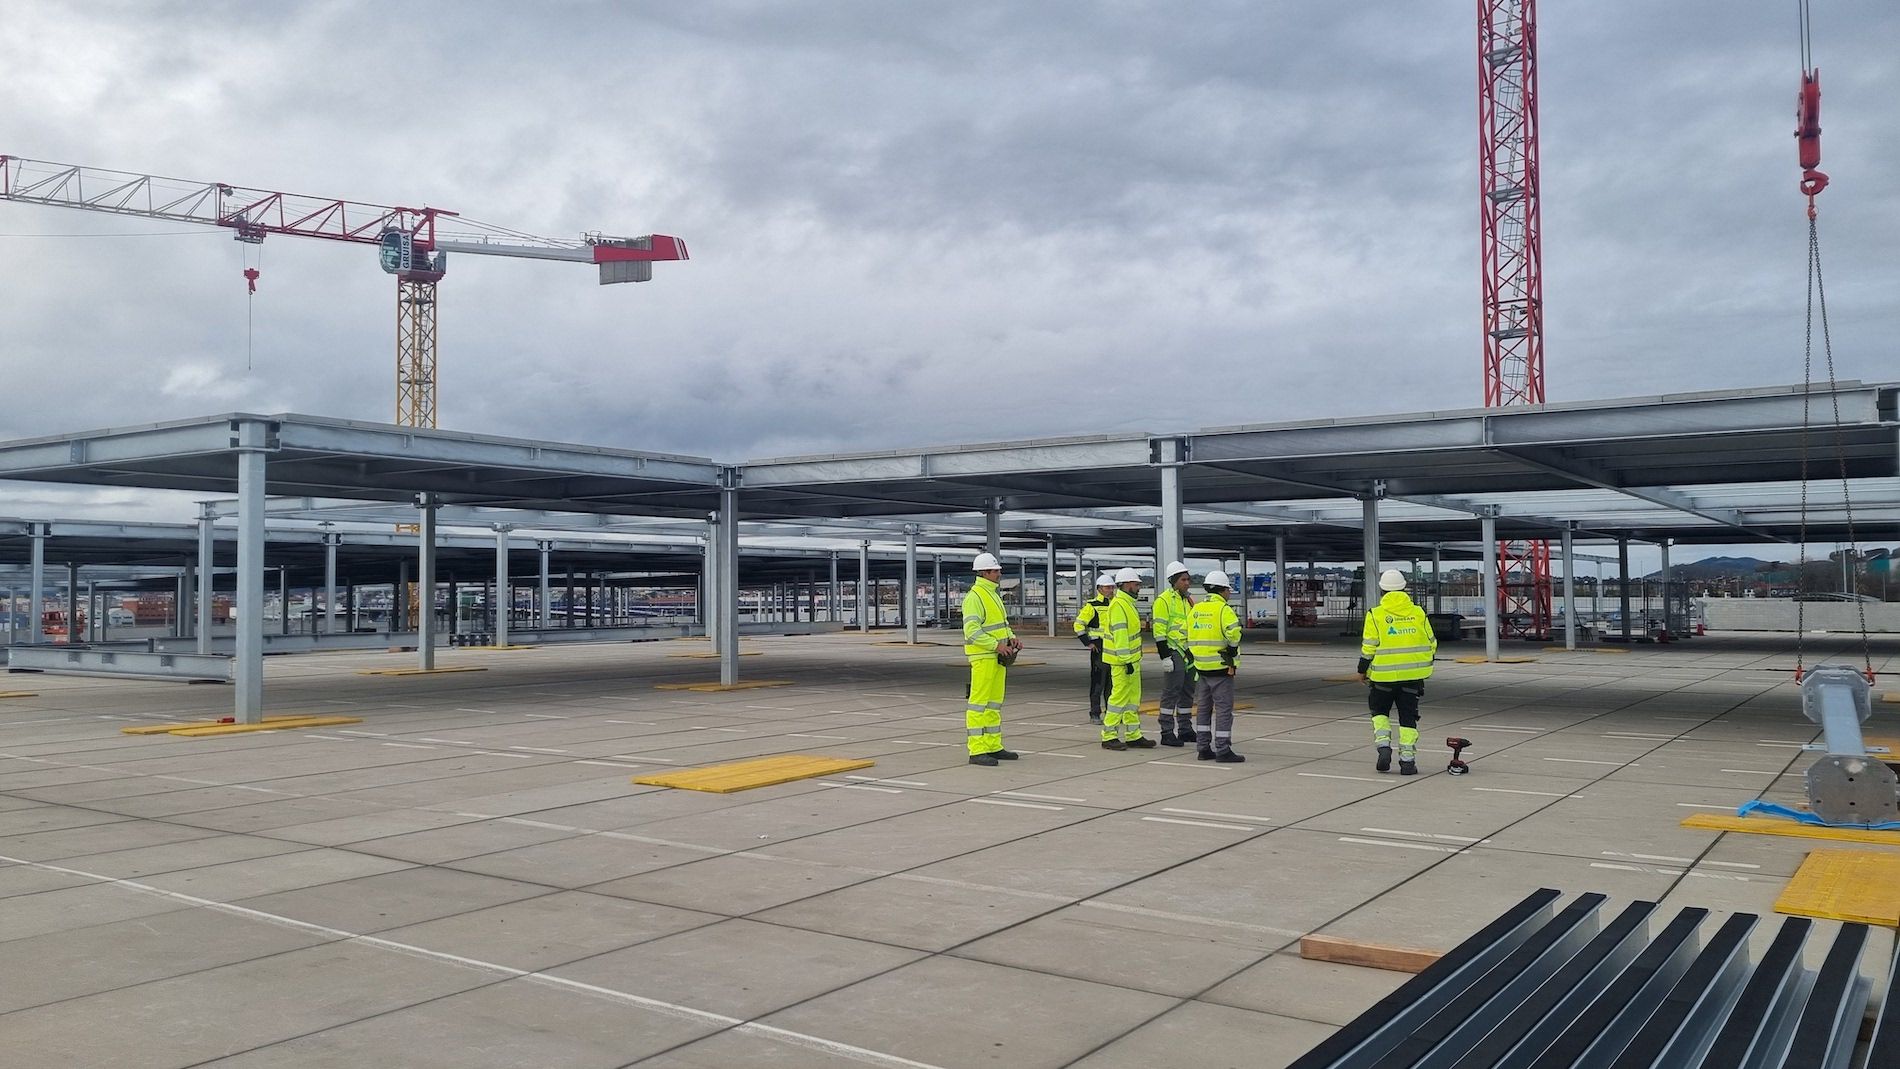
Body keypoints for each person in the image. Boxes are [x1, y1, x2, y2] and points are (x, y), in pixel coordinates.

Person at [1356, 568, 1437, 775]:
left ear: (1382, 589)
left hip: (1382, 678)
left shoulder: (1375, 614)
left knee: (1380, 713)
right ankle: (1407, 762)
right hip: (1411, 679)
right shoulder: (1418, 612)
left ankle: (1383, 747)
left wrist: (1361, 670)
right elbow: (1431, 643)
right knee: (1408, 718)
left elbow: (1369, 647)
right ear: (1404, 588)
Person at [962, 552, 1021, 766]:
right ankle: (977, 750)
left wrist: (1012, 639)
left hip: (997, 656)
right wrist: (996, 645)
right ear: (984, 572)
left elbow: (1002, 624)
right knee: (978, 704)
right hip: (984, 657)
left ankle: (993, 746)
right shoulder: (975, 597)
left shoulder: (993, 594)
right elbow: (972, 631)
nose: (999, 573)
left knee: (994, 704)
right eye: (995, 570)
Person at [1186, 569, 1245, 762]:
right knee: (1223, 711)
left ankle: (1203, 748)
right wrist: (1231, 649)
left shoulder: (1196, 609)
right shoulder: (1223, 609)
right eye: (1228, 590)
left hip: (1201, 669)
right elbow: (1234, 632)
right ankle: (1223, 749)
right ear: (1223, 590)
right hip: (1221, 669)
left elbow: (1182, 632)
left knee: (1203, 710)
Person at [1100, 567, 1157, 750]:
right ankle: (1109, 736)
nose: (1138, 587)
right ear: (1125, 585)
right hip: (1122, 662)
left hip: (1131, 661)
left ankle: (1133, 735)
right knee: (1118, 698)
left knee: (1133, 699)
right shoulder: (1119, 605)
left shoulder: (1127, 603)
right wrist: (1126, 660)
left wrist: (1131, 660)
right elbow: (1120, 635)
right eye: (1135, 584)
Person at [1151, 561, 1197, 747]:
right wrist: (1165, 657)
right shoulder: (1163, 601)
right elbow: (1159, 631)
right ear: (1174, 581)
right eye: (1183, 580)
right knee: (1171, 692)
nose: (1187, 583)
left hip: (1188, 651)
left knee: (1188, 692)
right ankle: (1167, 731)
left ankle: (1185, 729)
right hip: (1173, 650)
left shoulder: (1187, 600)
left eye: (1188, 579)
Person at [1072, 571, 1118, 723]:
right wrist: (1088, 642)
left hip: (1114, 647)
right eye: (1107, 588)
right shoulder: (1092, 605)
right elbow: (1078, 624)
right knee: (1099, 682)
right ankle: (1095, 713)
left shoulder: (1116, 604)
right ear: (1099, 589)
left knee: (1113, 684)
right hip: (1099, 647)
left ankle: (1112, 714)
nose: (1111, 590)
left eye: (1112, 587)